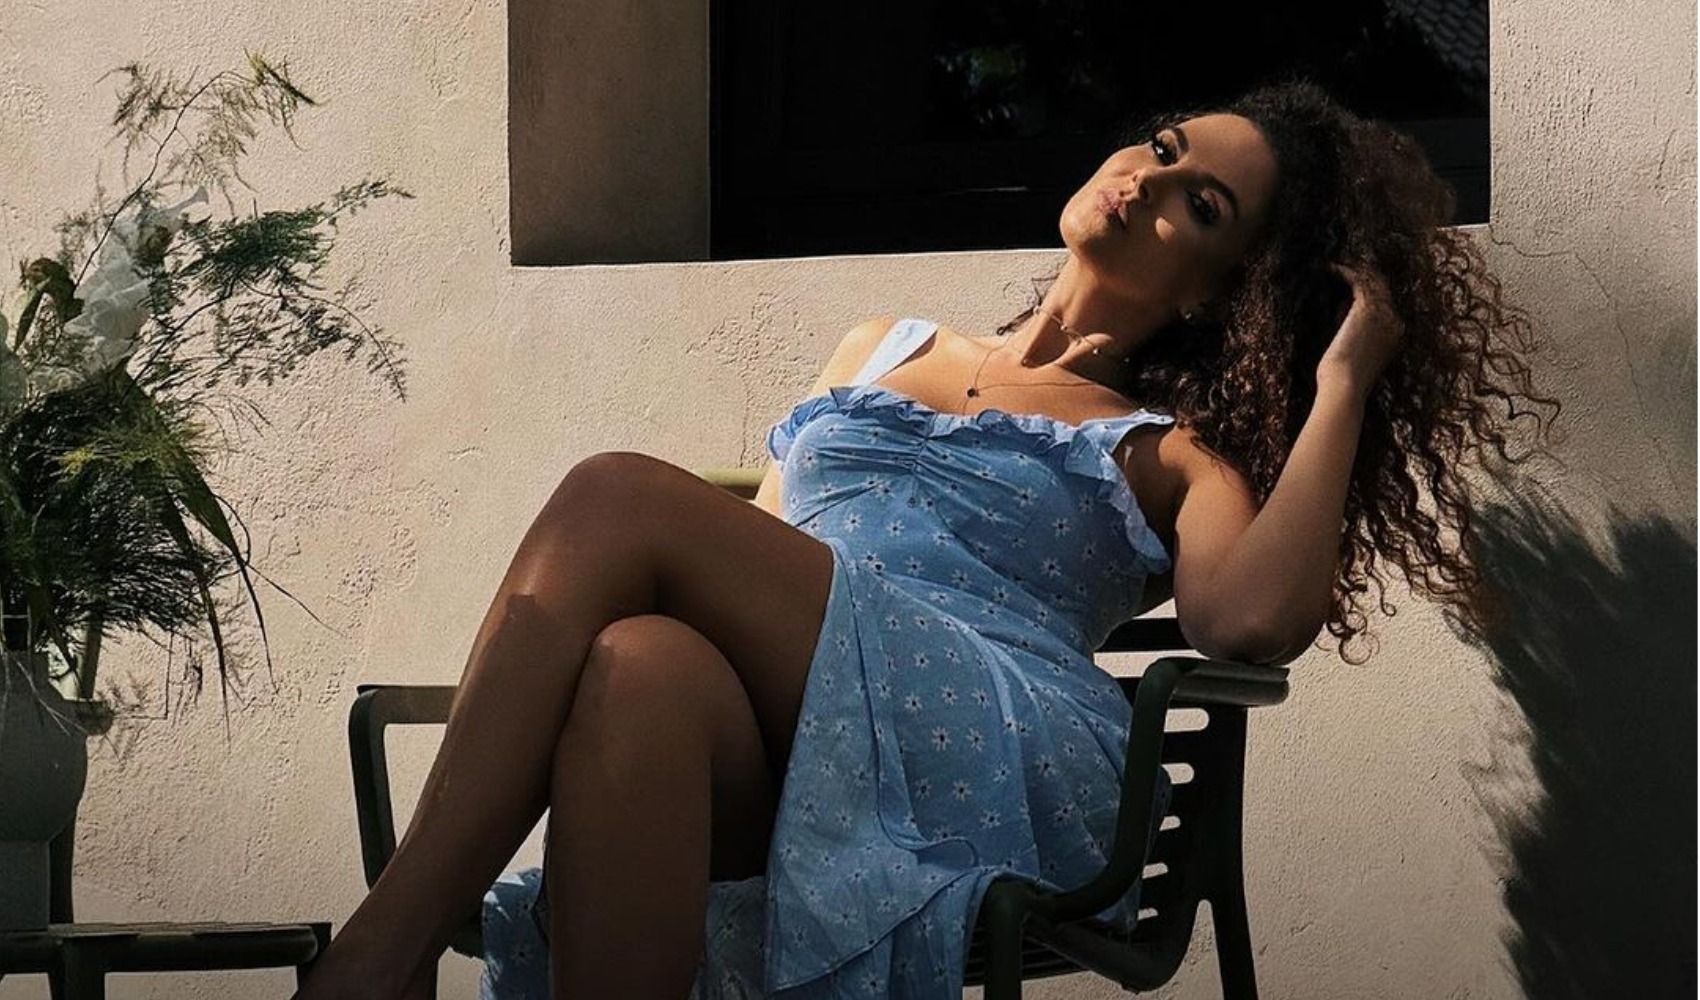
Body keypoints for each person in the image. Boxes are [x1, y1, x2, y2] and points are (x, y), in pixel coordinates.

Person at [293, 76, 1558, 1000]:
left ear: (1219, 291)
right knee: (641, 666)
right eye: (1161, 146)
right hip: (806, 723)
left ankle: (379, 956)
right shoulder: (879, 347)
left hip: (982, 737)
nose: (1144, 179)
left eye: (1198, 204)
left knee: (616, 493)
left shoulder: (1169, 449)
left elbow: (1247, 622)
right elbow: (764, 558)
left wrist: (1340, 382)